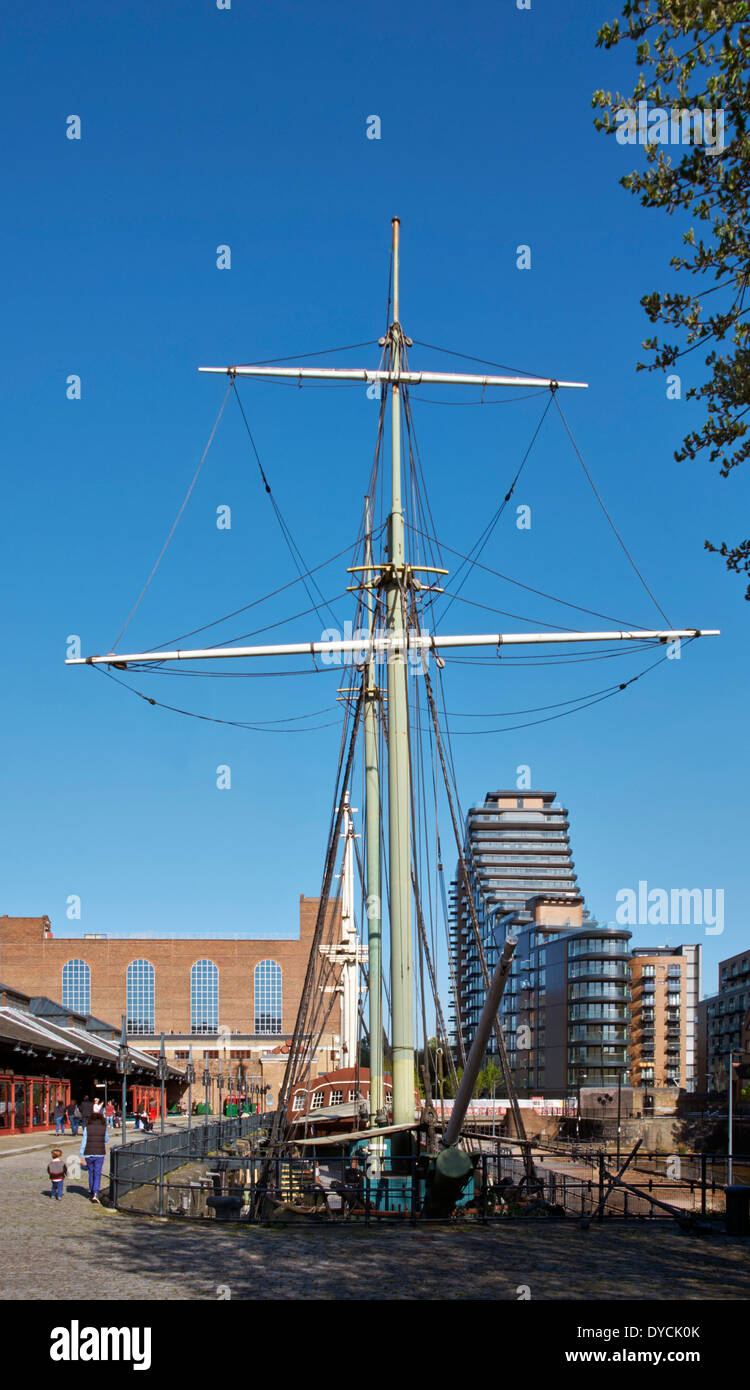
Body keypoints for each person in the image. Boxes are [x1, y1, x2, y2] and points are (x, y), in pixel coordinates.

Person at [80, 1099, 109, 1204]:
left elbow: (84, 1141)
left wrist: (81, 1155)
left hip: (88, 1152)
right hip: (100, 1153)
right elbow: (106, 1139)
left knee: (91, 1172)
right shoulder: (104, 1127)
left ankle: (92, 1190)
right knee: (97, 1173)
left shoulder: (87, 1128)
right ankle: (95, 1193)